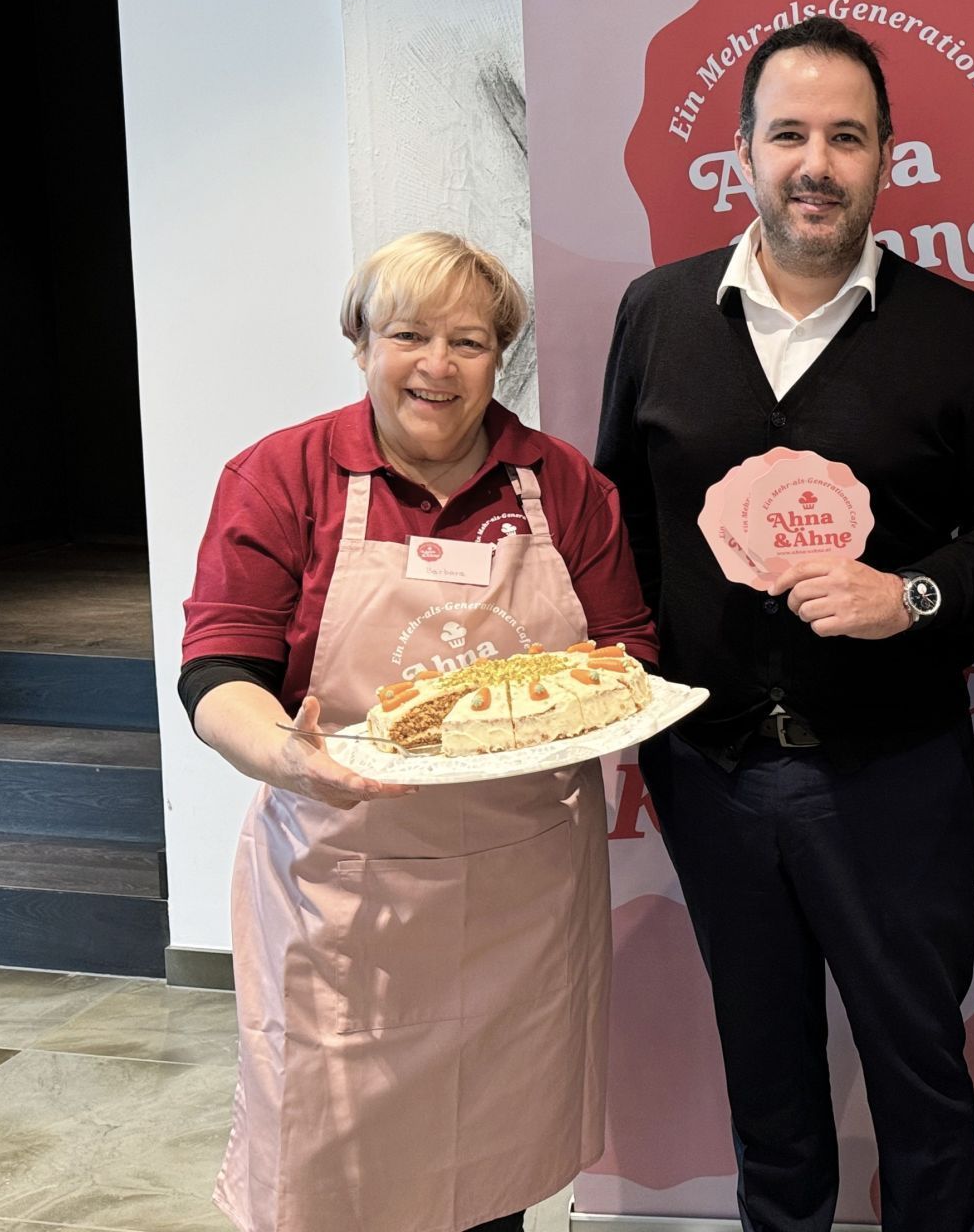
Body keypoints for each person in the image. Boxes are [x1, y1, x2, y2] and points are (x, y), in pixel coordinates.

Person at [593, 15, 974, 1232]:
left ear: (887, 157)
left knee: (919, 1084)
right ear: (738, 153)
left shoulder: (958, 333)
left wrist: (907, 596)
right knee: (768, 1088)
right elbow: (617, 538)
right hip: (711, 773)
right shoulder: (658, 316)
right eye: (788, 133)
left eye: (846, 136)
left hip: (892, 775)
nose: (816, 163)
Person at [182, 232, 658, 1232]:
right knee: (334, 1172)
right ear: (360, 342)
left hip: (521, 893)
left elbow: (626, 650)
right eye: (408, 335)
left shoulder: (560, 485)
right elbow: (219, 666)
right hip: (346, 893)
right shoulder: (284, 476)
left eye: (469, 341)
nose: (436, 367)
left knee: (488, 1171)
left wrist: (604, 702)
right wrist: (282, 755)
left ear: (501, 356)